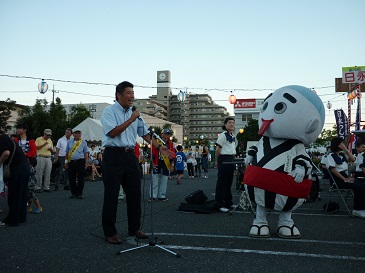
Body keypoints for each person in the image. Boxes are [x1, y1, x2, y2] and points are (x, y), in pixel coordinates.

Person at [100, 81, 174, 245]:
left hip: (130, 155)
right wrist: (132, 119)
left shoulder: (135, 114)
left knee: (135, 193)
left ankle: (134, 228)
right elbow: (112, 132)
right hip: (113, 155)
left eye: (133, 92)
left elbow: (146, 134)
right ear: (119, 95)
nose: (132, 96)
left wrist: (160, 146)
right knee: (111, 195)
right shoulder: (109, 112)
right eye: (128, 92)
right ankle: (110, 232)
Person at [327, 137, 365, 218]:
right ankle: (357, 210)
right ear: (338, 145)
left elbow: (353, 160)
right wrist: (344, 179)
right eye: (342, 143)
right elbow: (333, 170)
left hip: (344, 177)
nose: (344, 145)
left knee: (362, 184)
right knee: (358, 187)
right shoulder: (330, 155)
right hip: (337, 180)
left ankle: (361, 208)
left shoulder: (342, 155)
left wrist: (345, 150)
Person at [0, 130, 30, 226]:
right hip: (24, 166)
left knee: (14, 194)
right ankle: (21, 217)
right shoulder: (8, 139)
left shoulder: (2, 139)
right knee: (22, 193)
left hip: (16, 168)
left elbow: (6, 153)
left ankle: (13, 219)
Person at [214, 117, 237, 213]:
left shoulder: (234, 136)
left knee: (229, 183)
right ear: (225, 124)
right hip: (224, 159)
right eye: (229, 123)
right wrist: (217, 161)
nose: (232, 124)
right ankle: (219, 204)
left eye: (233, 123)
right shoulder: (223, 135)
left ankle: (228, 202)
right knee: (222, 183)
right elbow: (218, 149)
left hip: (231, 159)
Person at [150, 129, 176, 201]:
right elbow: (153, 152)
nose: (166, 136)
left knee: (164, 179)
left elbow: (173, 155)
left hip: (166, 163)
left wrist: (172, 164)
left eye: (168, 134)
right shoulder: (157, 141)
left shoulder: (170, 144)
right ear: (161, 134)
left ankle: (162, 195)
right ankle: (153, 195)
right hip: (156, 162)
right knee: (154, 179)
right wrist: (151, 162)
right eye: (165, 134)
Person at [64, 129, 89, 199]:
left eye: (79, 133)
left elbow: (86, 153)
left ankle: (79, 193)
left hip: (80, 161)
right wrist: (66, 162)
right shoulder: (69, 142)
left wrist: (86, 163)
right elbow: (67, 153)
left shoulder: (83, 142)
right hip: (71, 162)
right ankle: (73, 193)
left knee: (81, 178)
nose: (78, 135)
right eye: (76, 133)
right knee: (72, 178)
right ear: (73, 134)